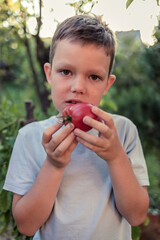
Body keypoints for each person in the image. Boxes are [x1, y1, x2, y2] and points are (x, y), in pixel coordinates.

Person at [3, 14, 149, 240]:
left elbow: (137, 216)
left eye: (93, 76)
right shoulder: (30, 137)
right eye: (66, 72)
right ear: (49, 74)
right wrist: (53, 163)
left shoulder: (122, 133)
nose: (78, 87)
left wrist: (115, 156)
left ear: (107, 85)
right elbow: (26, 225)